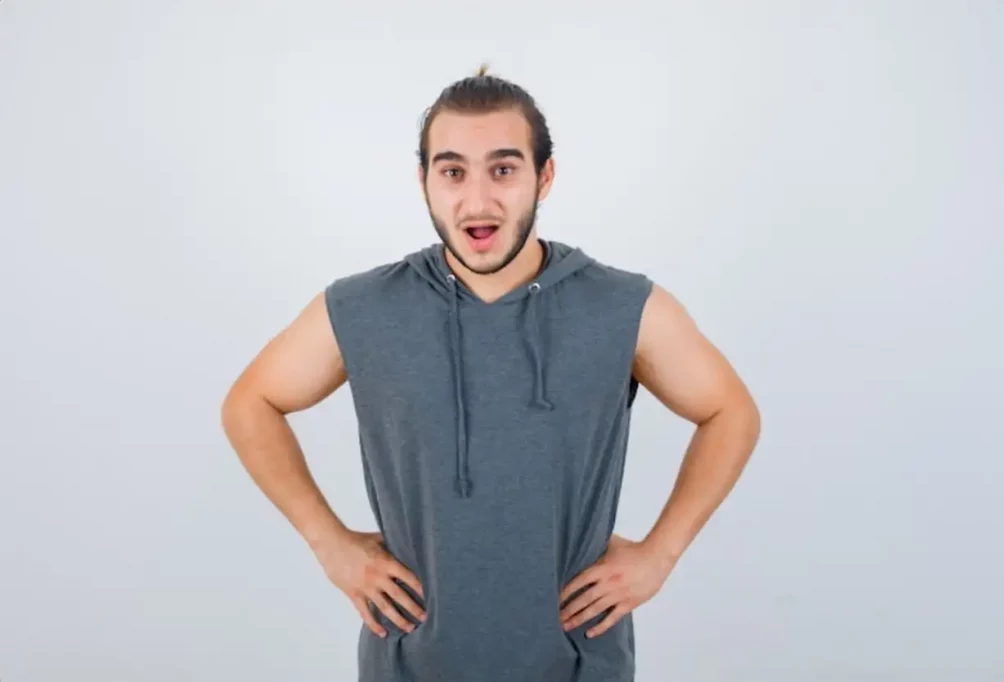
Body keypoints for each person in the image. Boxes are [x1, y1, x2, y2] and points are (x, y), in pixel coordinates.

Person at [220, 64, 761, 682]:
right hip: (410, 664)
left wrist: (660, 553)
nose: (477, 201)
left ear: (544, 176)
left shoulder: (623, 306)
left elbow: (730, 412)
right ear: (424, 181)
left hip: (579, 664)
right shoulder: (362, 308)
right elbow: (250, 403)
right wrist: (328, 543)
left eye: (503, 169)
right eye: (453, 171)